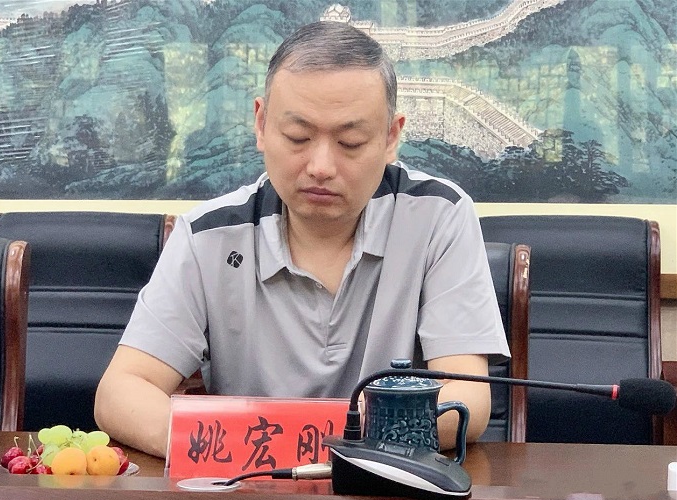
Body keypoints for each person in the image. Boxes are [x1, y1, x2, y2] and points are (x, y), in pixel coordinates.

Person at [94, 20, 509, 458]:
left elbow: (467, 400)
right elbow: (121, 393)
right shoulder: (209, 236)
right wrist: (246, 448)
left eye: (350, 142)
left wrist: (295, 440)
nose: (321, 166)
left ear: (391, 137)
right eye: (298, 137)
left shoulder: (439, 216)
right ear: (261, 124)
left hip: (388, 486)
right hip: (247, 482)